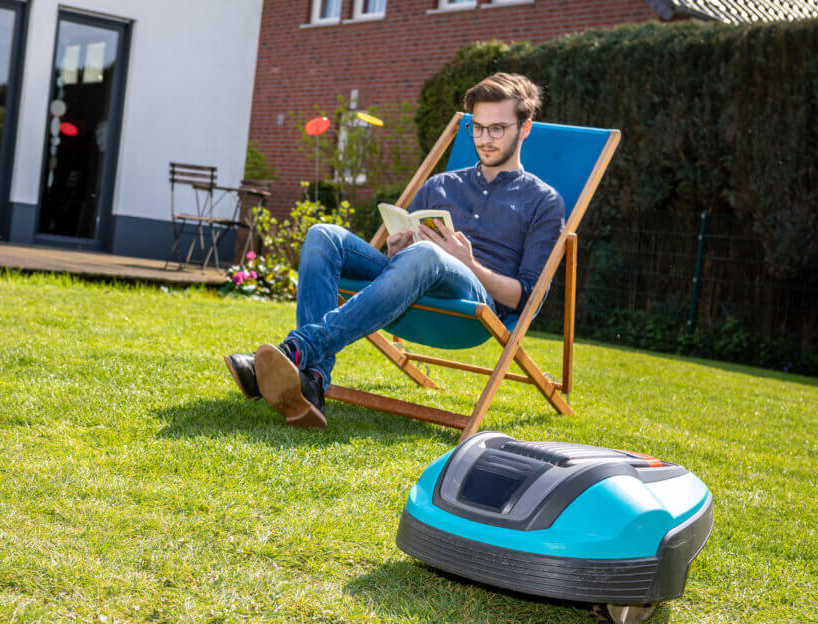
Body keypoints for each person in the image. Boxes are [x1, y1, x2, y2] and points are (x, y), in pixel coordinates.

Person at [224, 72, 564, 429]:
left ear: (525, 128)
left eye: (497, 129)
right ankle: (313, 382)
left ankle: (297, 350)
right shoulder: (441, 186)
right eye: (477, 128)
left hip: (470, 307)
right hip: (410, 290)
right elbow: (399, 261)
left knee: (429, 255)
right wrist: (397, 246)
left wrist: (469, 263)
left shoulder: (543, 202)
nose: (484, 139)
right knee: (324, 234)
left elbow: (524, 299)